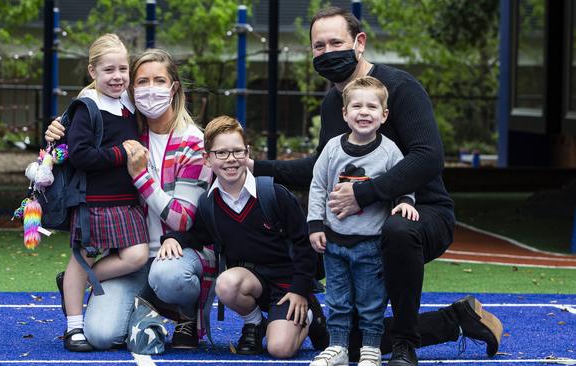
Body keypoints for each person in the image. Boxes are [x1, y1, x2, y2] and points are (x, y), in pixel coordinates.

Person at [250, 6, 503, 366]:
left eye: (336, 42)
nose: (327, 52)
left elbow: (428, 156)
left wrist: (364, 193)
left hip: (419, 212)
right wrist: (253, 166)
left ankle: (403, 346)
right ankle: (455, 320)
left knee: (397, 230)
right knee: (341, 342)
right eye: (318, 46)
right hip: (355, 223)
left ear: (359, 42)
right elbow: (320, 168)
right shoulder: (333, 103)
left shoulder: (400, 89)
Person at [45, 48, 214, 351]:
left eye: (159, 80)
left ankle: (184, 316)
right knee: (99, 335)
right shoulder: (128, 128)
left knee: (170, 276)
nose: (151, 89)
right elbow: (88, 113)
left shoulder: (193, 141)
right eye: (143, 81)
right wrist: (59, 129)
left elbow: (183, 218)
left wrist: (141, 177)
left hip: (177, 255)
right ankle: (141, 311)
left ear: (173, 88)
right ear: (131, 89)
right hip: (128, 260)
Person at [161, 116, 327, 358]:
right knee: (226, 283)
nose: (231, 159)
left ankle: (311, 317)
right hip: (251, 283)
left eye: (237, 151)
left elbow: (304, 243)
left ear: (247, 153)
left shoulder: (274, 194)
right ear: (207, 159)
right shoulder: (210, 205)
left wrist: (300, 290)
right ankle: (255, 323)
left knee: (279, 349)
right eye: (221, 153)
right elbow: (197, 235)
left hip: (287, 286)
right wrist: (173, 238)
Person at [308, 76, 419, 366]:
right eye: (356, 105)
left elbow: (402, 180)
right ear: (345, 113)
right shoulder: (332, 148)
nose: (364, 111)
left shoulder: (389, 151)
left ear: (384, 115)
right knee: (337, 300)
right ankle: (338, 348)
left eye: (372, 106)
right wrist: (315, 224)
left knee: (371, 302)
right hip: (334, 242)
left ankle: (370, 349)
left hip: (370, 244)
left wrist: (406, 201)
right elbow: (318, 186)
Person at [57, 33, 149, 353]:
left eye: (123, 69)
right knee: (81, 258)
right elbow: (79, 154)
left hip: (126, 202)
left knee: (136, 256)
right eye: (109, 70)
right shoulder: (88, 107)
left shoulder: (130, 103)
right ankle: (74, 327)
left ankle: (78, 280)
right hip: (92, 201)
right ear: (93, 71)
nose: (117, 77)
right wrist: (122, 154)